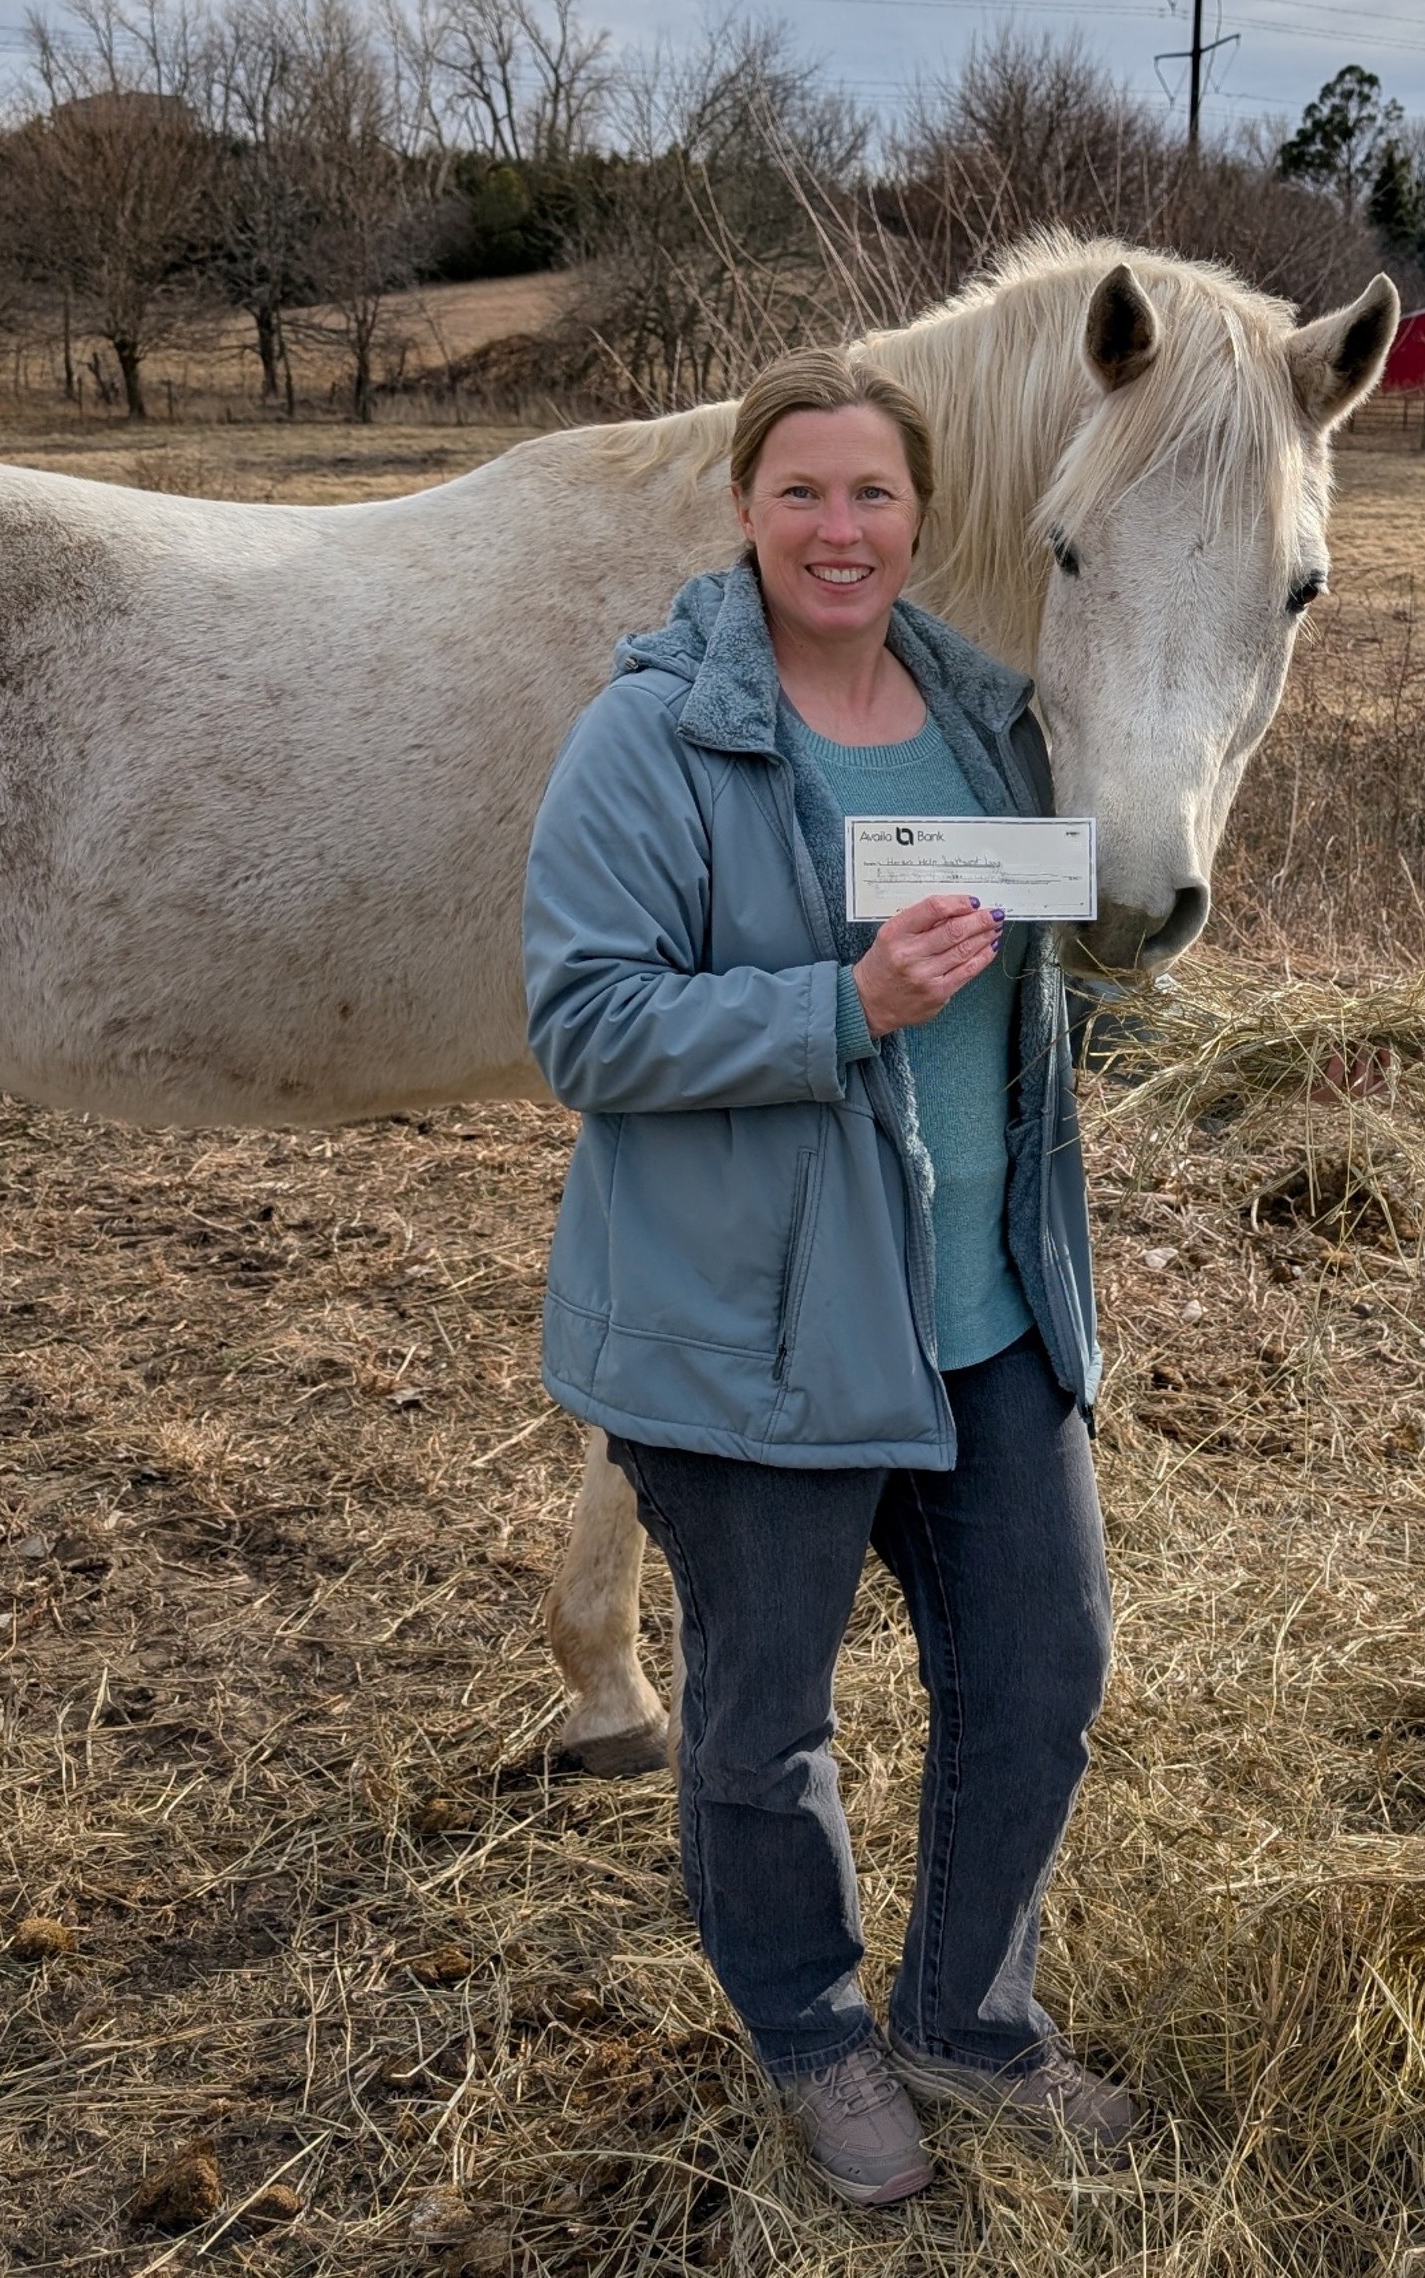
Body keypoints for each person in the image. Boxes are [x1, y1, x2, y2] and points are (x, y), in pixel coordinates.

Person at [522, 348, 1126, 2206]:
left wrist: (1110, 960)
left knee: (1042, 1669)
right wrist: (842, 1005)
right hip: (759, 1328)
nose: (838, 528)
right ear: (744, 509)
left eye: (872, 493)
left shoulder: (991, 721)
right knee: (764, 1724)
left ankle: (967, 2017)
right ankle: (815, 2034)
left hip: (986, 1313)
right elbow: (584, 1019)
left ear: (920, 516)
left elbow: (1024, 989)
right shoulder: (655, 736)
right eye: (801, 491)